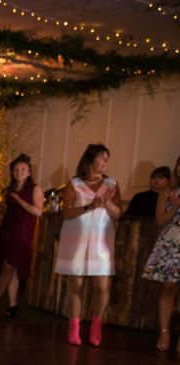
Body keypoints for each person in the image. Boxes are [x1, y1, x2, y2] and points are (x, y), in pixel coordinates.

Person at [54, 144, 122, 346]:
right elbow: (66, 213)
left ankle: (96, 326)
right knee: (77, 284)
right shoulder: (74, 183)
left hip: (102, 240)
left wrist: (108, 203)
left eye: (107, 159)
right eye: (102, 158)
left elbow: (118, 214)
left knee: (101, 285)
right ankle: (74, 327)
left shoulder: (111, 184)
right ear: (90, 159)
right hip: (77, 239)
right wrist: (88, 206)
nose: (105, 162)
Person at [0, 154, 44, 317]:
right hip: (8, 231)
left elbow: (38, 211)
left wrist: (19, 201)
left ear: (29, 172)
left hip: (23, 231)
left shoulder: (35, 188)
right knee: (11, 270)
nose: (19, 172)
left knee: (8, 267)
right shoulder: (9, 190)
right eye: (16, 170)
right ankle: (13, 305)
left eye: (23, 170)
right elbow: (5, 212)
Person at [141, 183, 180, 351]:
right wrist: (176, 207)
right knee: (168, 287)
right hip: (171, 240)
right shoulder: (168, 192)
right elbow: (159, 220)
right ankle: (164, 332)